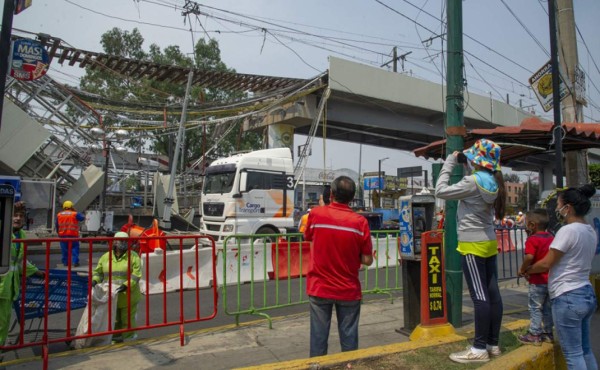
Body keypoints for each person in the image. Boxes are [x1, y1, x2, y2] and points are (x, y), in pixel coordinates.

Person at [435, 139, 507, 364]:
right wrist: (467, 165)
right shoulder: (493, 181)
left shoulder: (472, 182)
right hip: (488, 243)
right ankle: (492, 344)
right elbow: (475, 182)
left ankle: (478, 348)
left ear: (477, 159)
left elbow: (441, 191)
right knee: (493, 295)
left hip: (472, 245)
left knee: (479, 297)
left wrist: (449, 162)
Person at [525, 184, 598, 370]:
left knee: (573, 354)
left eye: (558, 205)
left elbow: (547, 263)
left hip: (567, 297)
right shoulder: (590, 230)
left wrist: (527, 270)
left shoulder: (567, 231)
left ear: (568, 208)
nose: (556, 209)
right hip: (586, 293)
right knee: (585, 350)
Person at [303, 176, 373, 357]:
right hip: (348, 290)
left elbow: (308, 237)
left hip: (319, 287)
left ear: (331, 194)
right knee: (349, 341)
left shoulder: (317, 214)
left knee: (318, 339)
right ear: (352, 198)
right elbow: (367, 260)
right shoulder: (360, 222)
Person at [0, 201, 45, 346]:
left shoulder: (22, 235)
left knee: (3, 321)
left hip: (8, 287)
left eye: (20, 216)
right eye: (14, 215)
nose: (18, 218)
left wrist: (36, 272)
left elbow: (19, 261)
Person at [91, 231, 142, 343]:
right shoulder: (106, 257)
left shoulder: (133, 257)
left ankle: (130, 339)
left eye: (125, 241)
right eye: (120, 241)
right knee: (115, 320)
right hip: (113, 296)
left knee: (127, 320)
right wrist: (94, 281)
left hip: (129, 296)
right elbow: (98, 272)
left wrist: (126, 285)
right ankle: (116, 338)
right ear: (114, 242)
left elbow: (136, 275)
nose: (122, 243)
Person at [517, 209, 554, 346]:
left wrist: (522, 269)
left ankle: (534, 333)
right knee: (547, 308)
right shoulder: (551, 237)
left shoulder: (532, 240)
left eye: (526, 223)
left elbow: (530, 257)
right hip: (549, 279)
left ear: (532, 225)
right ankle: (548, 333)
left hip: (537, 281)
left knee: (535, 307)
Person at [56, 200, 85, 267]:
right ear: (71, 206)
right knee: (74, 249)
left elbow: (57, 225)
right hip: (73, 235)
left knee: (64, 250)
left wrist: (59, 233)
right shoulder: (74, 214)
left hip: (63, 235)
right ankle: (75, 262)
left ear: (64, 207)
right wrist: (75, 211)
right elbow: (82, 218)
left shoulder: (59, 214)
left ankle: (66, 263)